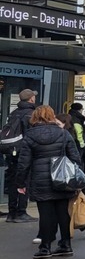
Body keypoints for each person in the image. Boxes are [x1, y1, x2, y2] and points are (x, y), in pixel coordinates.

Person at [16, 106, 84, 259]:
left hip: (41, 179)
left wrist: (21, 183)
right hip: (61, 178)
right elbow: (75, 157)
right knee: (63, 213)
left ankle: (45, 246)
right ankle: (65, 244)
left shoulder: (30, 135)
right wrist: (76, 178)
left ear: (35, 117)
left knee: (45, 214)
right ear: (52, 116)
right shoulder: (63, 133)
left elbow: (23, 162)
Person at [4, 88, 38, 223]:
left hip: (12, 151)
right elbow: (31, 135)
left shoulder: (14, 113)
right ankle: (21, 212)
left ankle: (11, 212)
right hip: (24, 153)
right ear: (31, 99)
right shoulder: (31, 114)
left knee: (13, 182)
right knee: (23, 181)